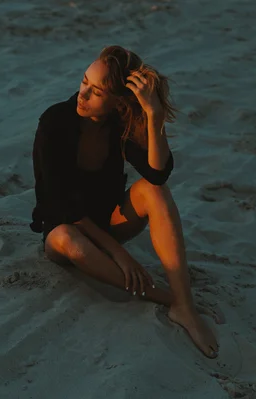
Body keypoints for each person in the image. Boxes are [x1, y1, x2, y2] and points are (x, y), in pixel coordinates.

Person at [30, 45, 220, 358]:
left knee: (154, 192)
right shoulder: (54, 122)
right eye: (84, 82)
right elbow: (60, 203)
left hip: (109, 221)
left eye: (97, 91)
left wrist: (154, 114)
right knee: (68, 238)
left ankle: (186, 307)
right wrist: (120, 254)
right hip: (64, 229)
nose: (83, 94)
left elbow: (157, 174)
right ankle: (168, 298)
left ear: (119, 101)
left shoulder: (120, 124)